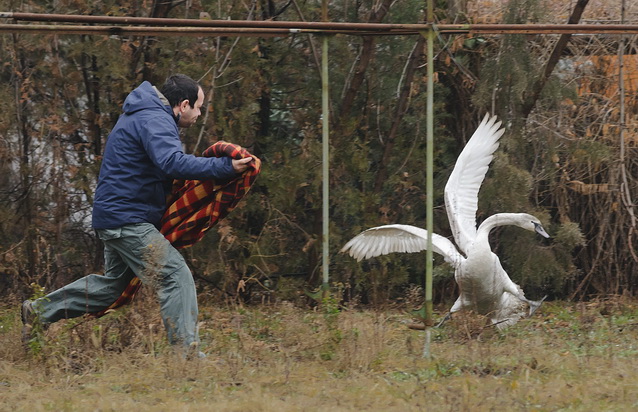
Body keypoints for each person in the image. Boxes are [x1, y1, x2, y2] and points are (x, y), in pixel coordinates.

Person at [21, 74, 253, 357]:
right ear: (183, 105)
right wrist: (225, 168)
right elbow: (172, 162)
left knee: (112, 289)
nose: (199, 114)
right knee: (175, 276)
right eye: (198, 107)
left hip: (117, 215)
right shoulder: (155, 119)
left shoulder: (145, 114)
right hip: (127, 219)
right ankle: (187, 356)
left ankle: (39, 312)